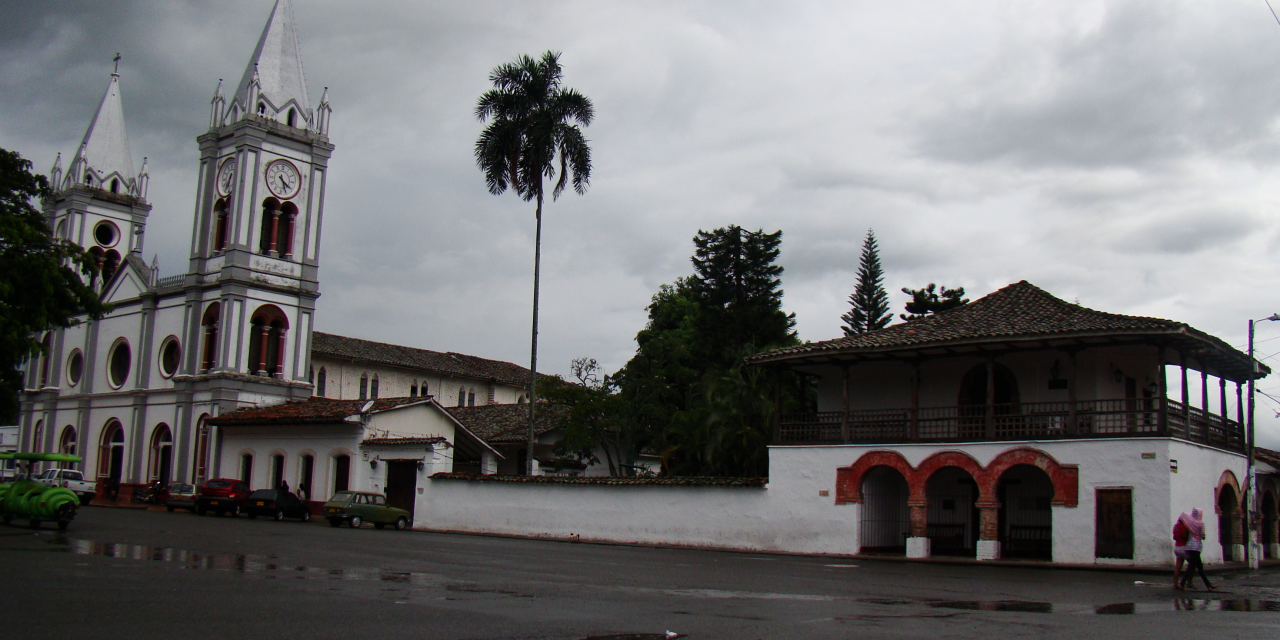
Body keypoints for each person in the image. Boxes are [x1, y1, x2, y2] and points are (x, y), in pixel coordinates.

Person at [1178, 508, 1216, 591]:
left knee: (1199, 566)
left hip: (1189, 546)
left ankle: (1209, 585)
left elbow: (1183, 516)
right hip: (1196, 547)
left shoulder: (1190, 522)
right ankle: (1182, 583)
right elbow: (1203, 535)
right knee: (1192, 566)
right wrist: (1202, 536)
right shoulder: (1200, 523)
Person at [1172, 515, 1189, 588]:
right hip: (1183, 547)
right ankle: (1188, 582)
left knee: (1178, 566)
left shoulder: (1176, 527)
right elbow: (1185, 536)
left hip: (1177, 547)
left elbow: (1174, 537)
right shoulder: (1184, 527)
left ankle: (1175, 584)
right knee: (1192, 564)